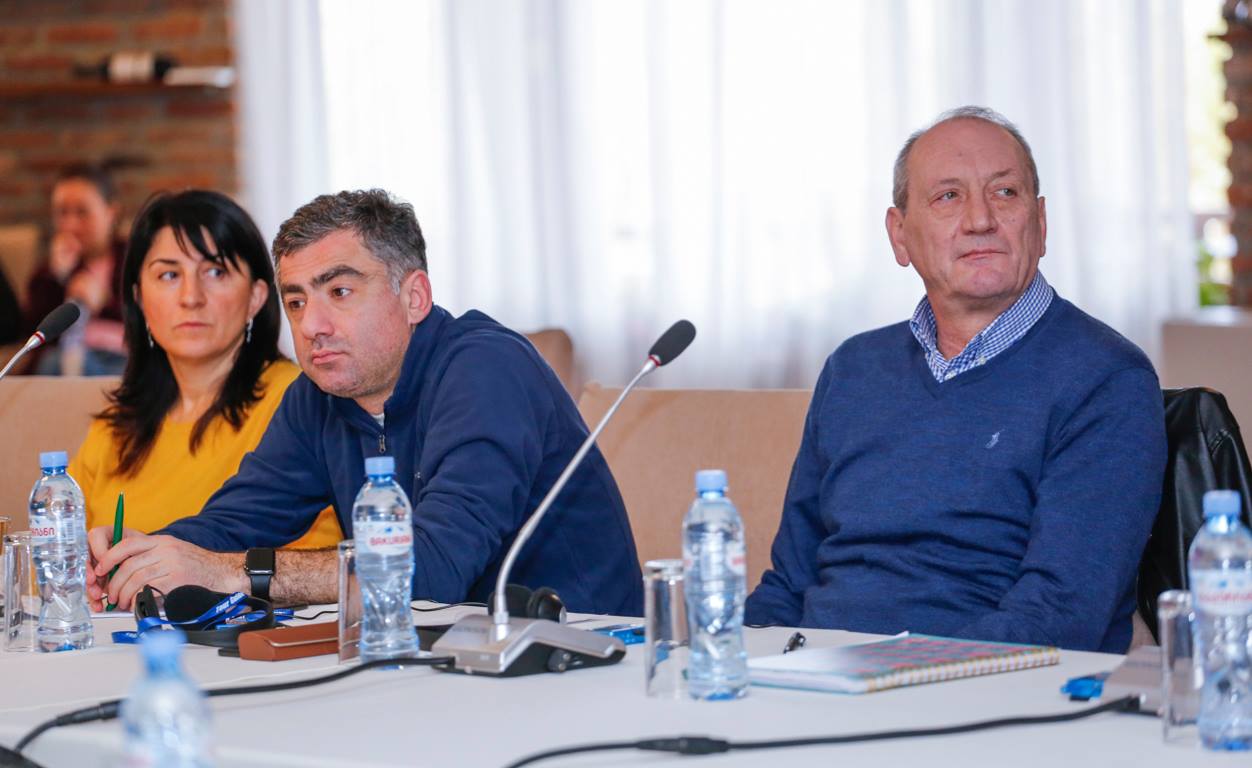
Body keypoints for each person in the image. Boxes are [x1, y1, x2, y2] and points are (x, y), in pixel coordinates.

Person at [88, 189, 642, 616]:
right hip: (439, 660)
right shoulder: (318, 397)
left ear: (414, 296)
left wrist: (231, 573)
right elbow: (235, 522)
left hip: (578, 655)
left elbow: (432, 570)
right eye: (296, 301)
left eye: (340, 292)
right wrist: (142, 556)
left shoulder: (486, 369)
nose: (312, 325)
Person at [744, 107, 1167, 653]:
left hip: (988, 685)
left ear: (1040, 224)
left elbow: (1060, 614)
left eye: (1005, 193)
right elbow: (789, 584)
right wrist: (731, 659)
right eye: (948, 196)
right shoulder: (853, 369)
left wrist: (882, 672)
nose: (980, 220)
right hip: (819, 677)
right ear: (900, 236)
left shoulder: (1106, 378)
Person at [69, 190, 341, 550]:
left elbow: (324, 559)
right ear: (139, 299)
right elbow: (55, 555)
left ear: (256, 297)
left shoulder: (299, 403)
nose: (191, 297)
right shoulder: (114, 427)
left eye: (215, 271)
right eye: (169, 275)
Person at [24, 163, 128, 375]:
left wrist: (105, 302)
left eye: (83, 212)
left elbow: (150, 321)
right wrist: (56, 278)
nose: (71, 225)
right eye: (62, 213)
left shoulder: (131, 257)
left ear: (111, 212)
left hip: (120, 356)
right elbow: (32, 332)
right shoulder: (49, 271)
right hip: (63, 359)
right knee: (56, 362)